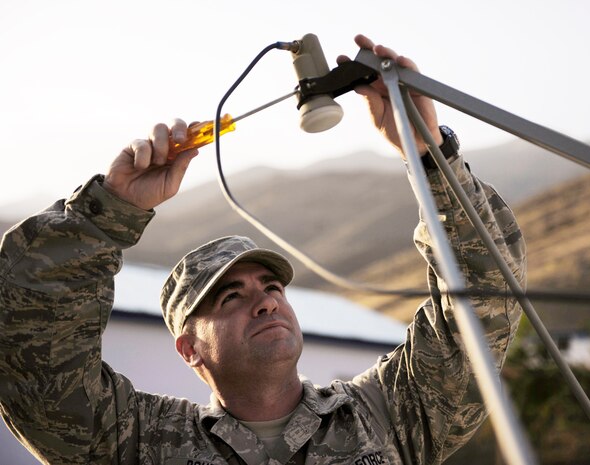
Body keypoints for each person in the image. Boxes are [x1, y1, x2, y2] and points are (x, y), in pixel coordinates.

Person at [0, 35, 526, 465]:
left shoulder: (388, 412)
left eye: (271, 286)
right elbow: (30, 348)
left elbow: (483, 306)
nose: (267, 301)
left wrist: (431, 154)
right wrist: (108, 210)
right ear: (190, 349)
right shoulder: (136, 441)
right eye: (230, 296)